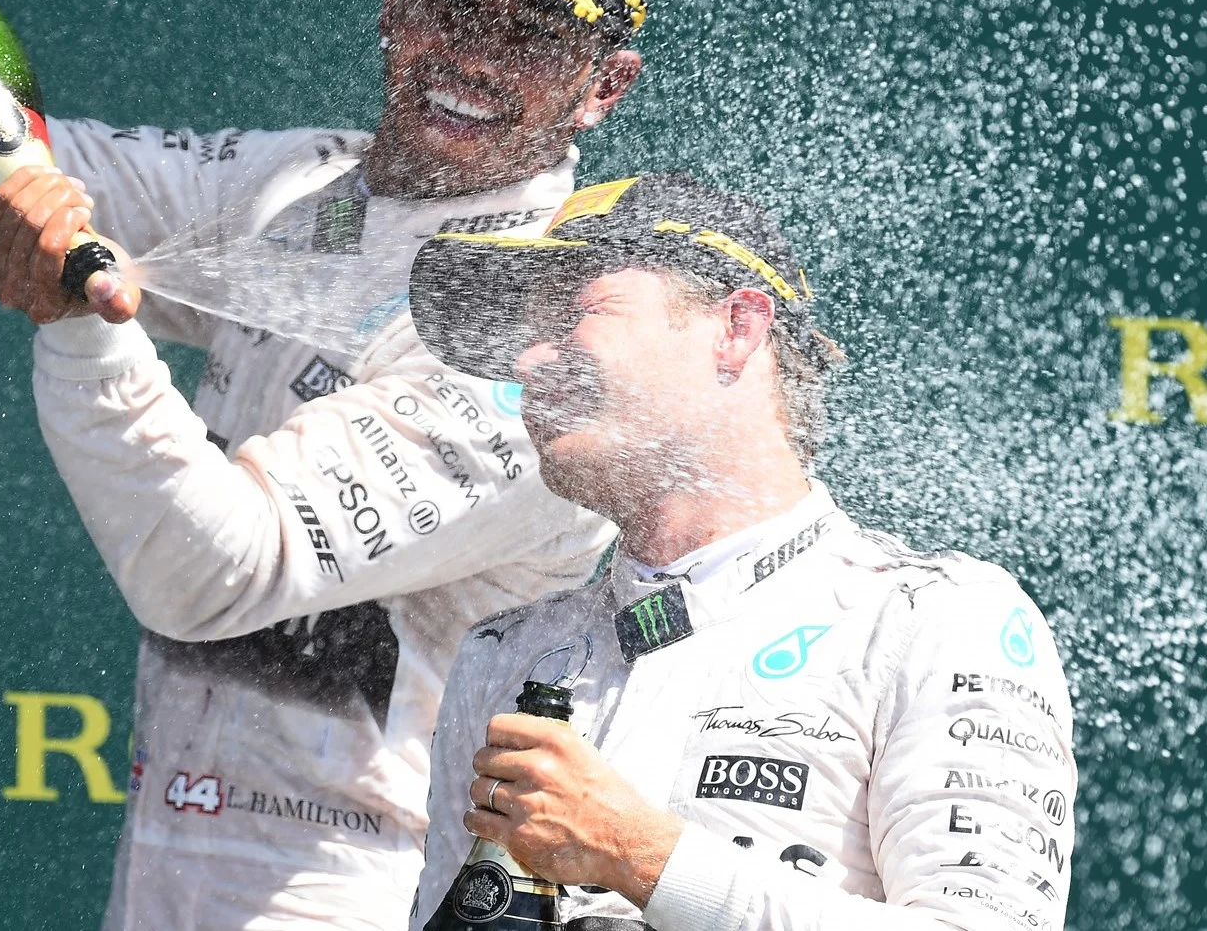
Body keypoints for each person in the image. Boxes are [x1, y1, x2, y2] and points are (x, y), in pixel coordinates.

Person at [0, 0, 657, 928]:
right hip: (169, 871)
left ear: (604, 85)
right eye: (453, 0)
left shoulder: (549, 332)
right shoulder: (294, 191)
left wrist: (82, 311)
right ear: (395, 0)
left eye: (534, 32)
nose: (475, 56)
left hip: (371, 891)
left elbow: (210, 569)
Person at [405, 173, 1078, 931]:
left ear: (738, 329)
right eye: (526, 330)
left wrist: (640, 853)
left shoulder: (935, 620)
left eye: (575, 310)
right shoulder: (507, 652)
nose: (527, 362)